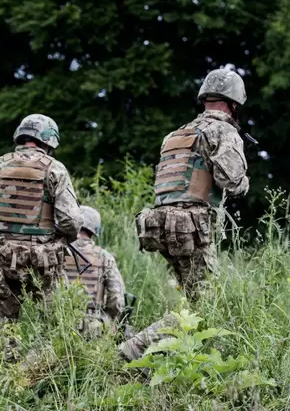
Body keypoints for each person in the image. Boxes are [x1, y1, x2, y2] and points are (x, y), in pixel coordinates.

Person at [121, 69, 251, 362]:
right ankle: (135, 350)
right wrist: (244, 178)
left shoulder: (176, 134)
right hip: (190, 227)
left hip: (159, 225)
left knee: (195, 301)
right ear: (234, 103)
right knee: (207, 306)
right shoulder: (222, 131)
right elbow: (233, 182)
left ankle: (175, 362)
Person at [0, 114, 81, 323]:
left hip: (0, 259)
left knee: (4, 327)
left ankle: (6, 355)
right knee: (52, 324)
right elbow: (71, 222)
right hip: (42, 261)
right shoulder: (54, 168)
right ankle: (46, 356)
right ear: (49, 140)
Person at [69, 205, 126, 338]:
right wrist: (112, 321)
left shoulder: (59, 251)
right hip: (92, 325)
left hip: (60, 320)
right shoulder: (104, 256)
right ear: (94, 229)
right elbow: (117, 298)